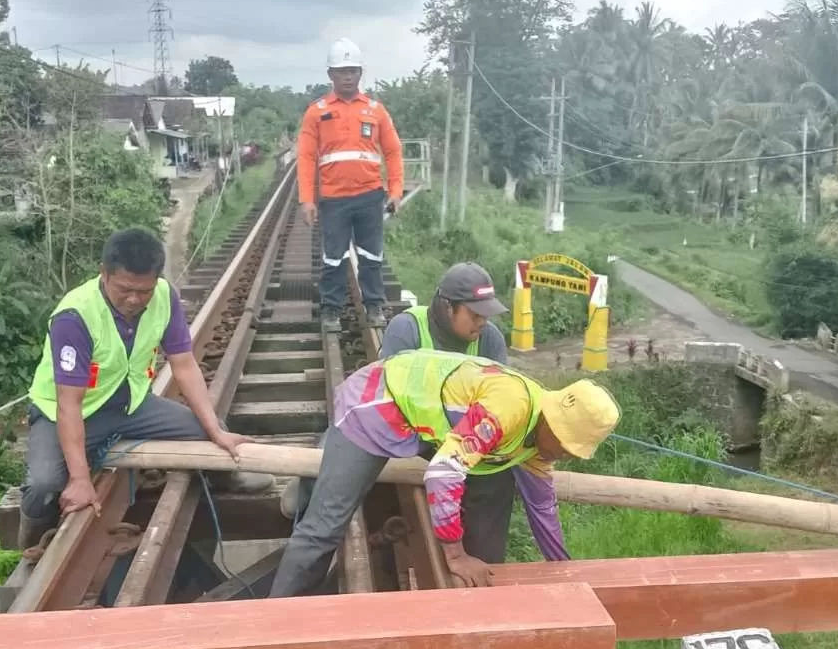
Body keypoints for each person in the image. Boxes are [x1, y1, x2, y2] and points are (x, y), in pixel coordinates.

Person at [266, 351, 622, 598]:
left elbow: (543, 508)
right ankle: (277, 623)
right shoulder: (509, 408)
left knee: (487, 483)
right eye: (564, 444)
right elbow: (442, 473)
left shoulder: (538, 443)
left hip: (425, 428)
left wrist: (566, 572)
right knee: (326, 526)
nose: (563, 453)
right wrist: (455, 556)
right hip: (377, 403)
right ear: (552, 421)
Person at [18, 228, 271, 551]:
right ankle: (32, 541)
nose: (135, 300)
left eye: (144, 291)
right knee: (43, 485)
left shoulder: (164, 296)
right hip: (65, 413)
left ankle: (226, 477)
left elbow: (183, 364)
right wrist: (81, 479)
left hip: (130, 405)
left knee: (212, 430)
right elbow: (69, 403)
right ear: (104, 273)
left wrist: (214, 429)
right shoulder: (75, 316)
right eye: (125, 289)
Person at [279, 262, 518, 562]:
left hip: (454, 439)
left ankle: (484, 559)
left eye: (486, 314)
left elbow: (499, 402)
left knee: (501, 471)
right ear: (447, 307)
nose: (481, 322)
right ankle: (306, 489)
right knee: (338, 439)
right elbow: (393, 402)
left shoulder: (490, 339)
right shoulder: (408, 327)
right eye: (474, 314)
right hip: (402, 429)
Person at [297, 37, 404, 334]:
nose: (348, 76)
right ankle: (330, 310)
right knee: (334, 257)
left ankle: (373, 305)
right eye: (342, 71)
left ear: (360, 73)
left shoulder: (375, 110)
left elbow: (393, 152)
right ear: (330, 74)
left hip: (370, 196)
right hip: (334, 200)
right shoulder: (316, 112)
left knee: (371, 256)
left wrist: (395, 192)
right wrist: (308, 199)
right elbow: (305, 157)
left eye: (353, 71)